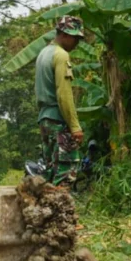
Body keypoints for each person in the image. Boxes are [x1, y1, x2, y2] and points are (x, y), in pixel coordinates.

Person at [35, 16, 86, 187]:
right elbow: (63, 95)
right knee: (65, 171)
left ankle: (46, 212)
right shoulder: (61, 55)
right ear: (64, 34)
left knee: (50, 170)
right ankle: (59, 212)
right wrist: (75, 126)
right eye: (75, 38)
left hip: (45, 119)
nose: (77, 43)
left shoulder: (44, 53)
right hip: (58, 120)